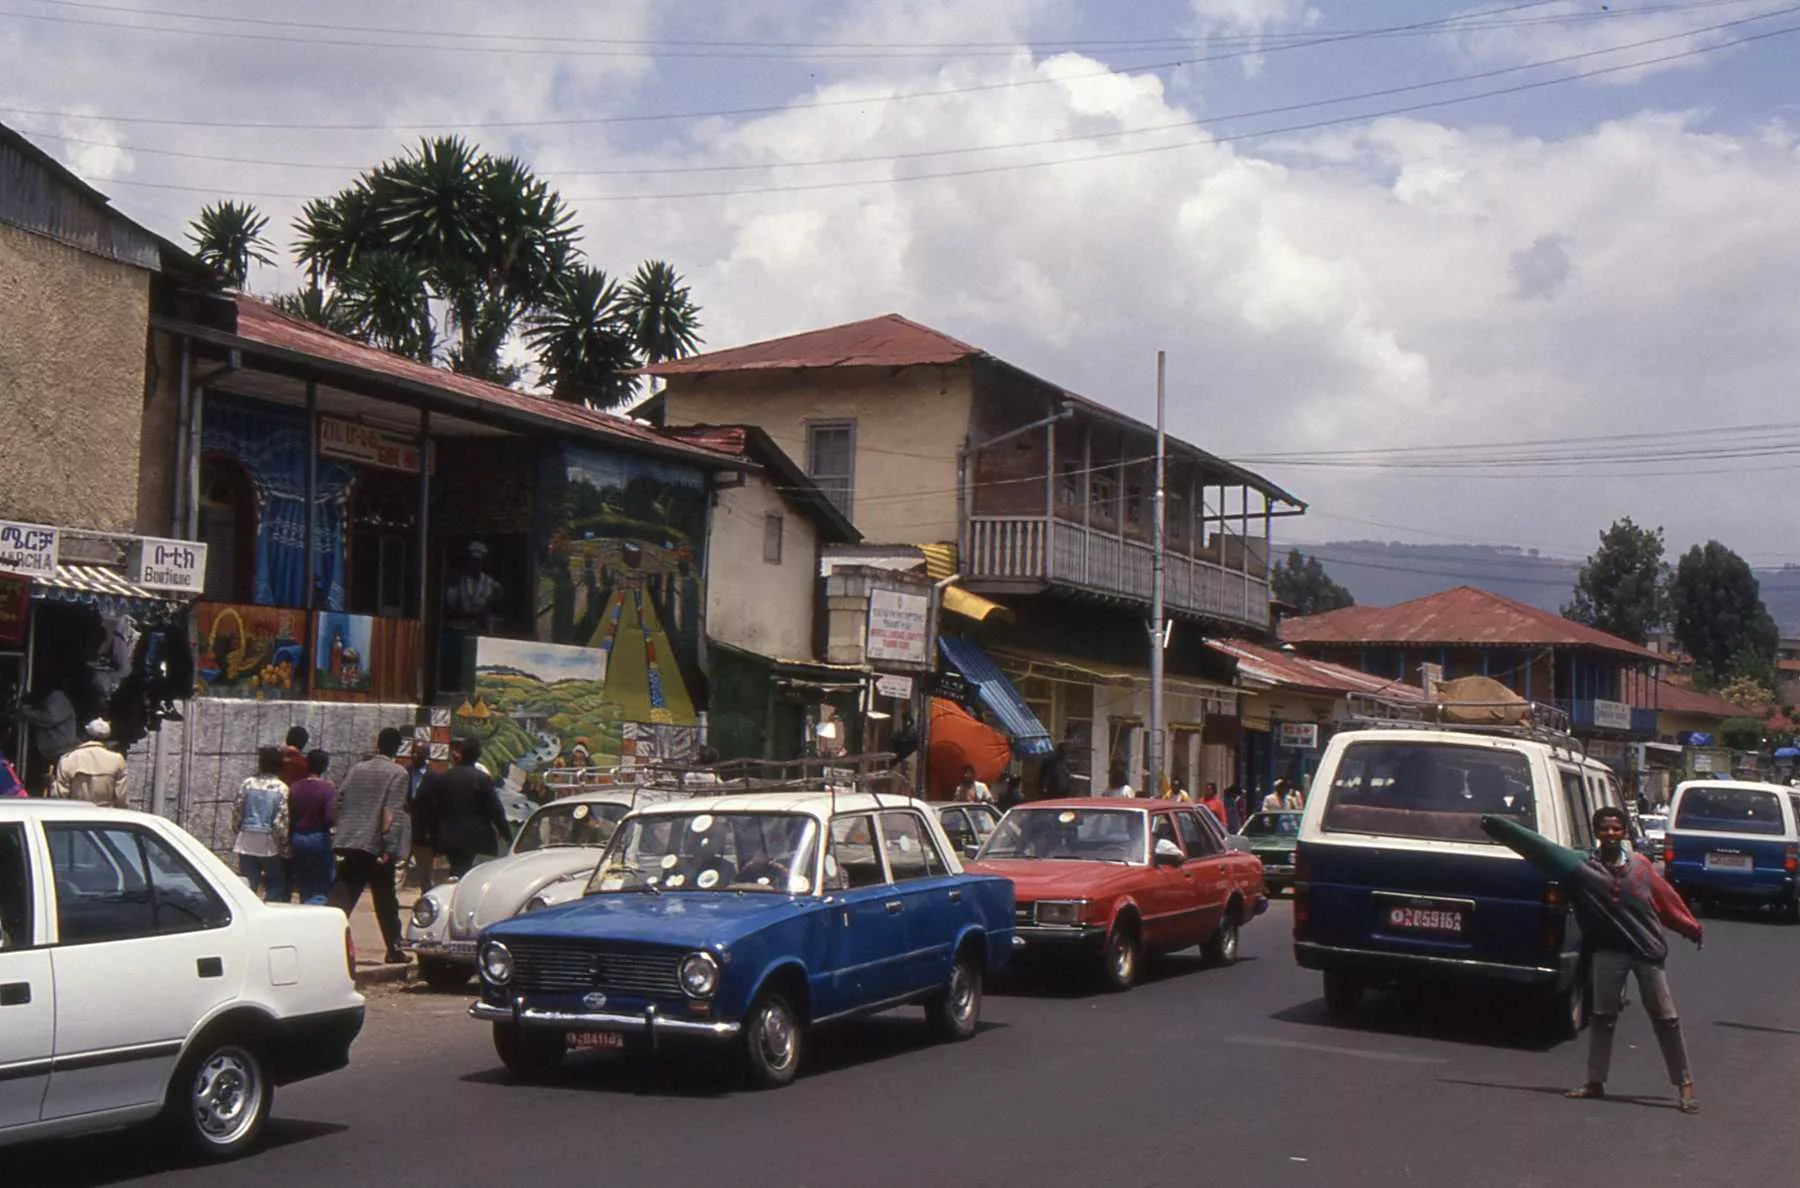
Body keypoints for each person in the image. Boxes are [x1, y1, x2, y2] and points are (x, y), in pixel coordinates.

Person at [1481, 806, 1702, 1114]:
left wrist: (1690, 927)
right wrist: (1493, 825)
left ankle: (1685, 1084)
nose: (1610, 834)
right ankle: (1595, 1081)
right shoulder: (1582, 870)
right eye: (1604, 829)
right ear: (1596, 832)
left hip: (1647, 953)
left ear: (1625, 832)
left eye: (1616, 829)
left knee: (1666, 1019)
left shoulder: (1640, 866)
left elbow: (1667, 901)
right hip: (1608, 952)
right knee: (1602, 1017)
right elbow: (1537, 849)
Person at [326, 727, 413, 965]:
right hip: (375, 844)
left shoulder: (357, 769)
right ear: (397, 747)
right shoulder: (398, 774)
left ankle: (325, 941)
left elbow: (339, 799)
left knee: (343, 893)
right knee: (386, 900)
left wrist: (342, 828)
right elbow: (390, 813)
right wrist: (389, 847)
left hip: (350, 840)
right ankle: (394, 948)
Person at [427, 735, 511, 877]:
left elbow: (435, 810)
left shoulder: (445, 777)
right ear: (478, 755)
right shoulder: (481, 779)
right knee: (468, 874)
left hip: (449, 838)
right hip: (474, 838)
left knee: (457, 870)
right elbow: (495, 810)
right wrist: (507, 835)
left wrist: (434, 838)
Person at [232, 746, 290, 902]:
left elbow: (237, 810)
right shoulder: (282, 788)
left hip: (246, 839)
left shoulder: (247, 784)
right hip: (268, 842)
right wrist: (284, 845)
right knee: (275, 883)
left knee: (248, 883)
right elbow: (281, 821)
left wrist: (237, 829)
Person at [287, 749, 337, 904]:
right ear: (325, 767)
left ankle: (305, 907)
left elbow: (290, 814)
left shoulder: (295, 787)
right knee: (321, 883)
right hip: (318, 837)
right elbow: (330, 816)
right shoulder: (328, 789)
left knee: (304, 881)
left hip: (298, 836)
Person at [50, 718, 129, 807]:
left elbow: (60, 796)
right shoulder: (117, 760)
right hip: (106, 814)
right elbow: (121, 797)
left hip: (76, 814)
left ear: (85, 736)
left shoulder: (69, 759)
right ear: (108, 739)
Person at [20, 677, 76, 793]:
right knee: (46, 782)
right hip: (49, 752)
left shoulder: (57, 696)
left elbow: (51, 718)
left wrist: (27, 712)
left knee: (55, 785)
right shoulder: (46, 699)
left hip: (61, 751)